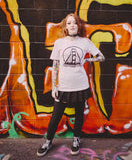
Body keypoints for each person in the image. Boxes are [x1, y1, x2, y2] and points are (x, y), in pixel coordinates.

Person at [37, 13, 105, 157]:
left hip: (80, 85)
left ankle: (76, 139)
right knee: (56, 116)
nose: (72, 25)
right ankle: (48, 141)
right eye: (69, 23)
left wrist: (87, 61)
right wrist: (54, 87)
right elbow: (55, 65)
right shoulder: (59, 43)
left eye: (75, 23)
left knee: (79, 114)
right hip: (63, 86)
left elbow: (101, 57)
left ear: (79, 26)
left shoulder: (85, 42)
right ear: (65, 27)